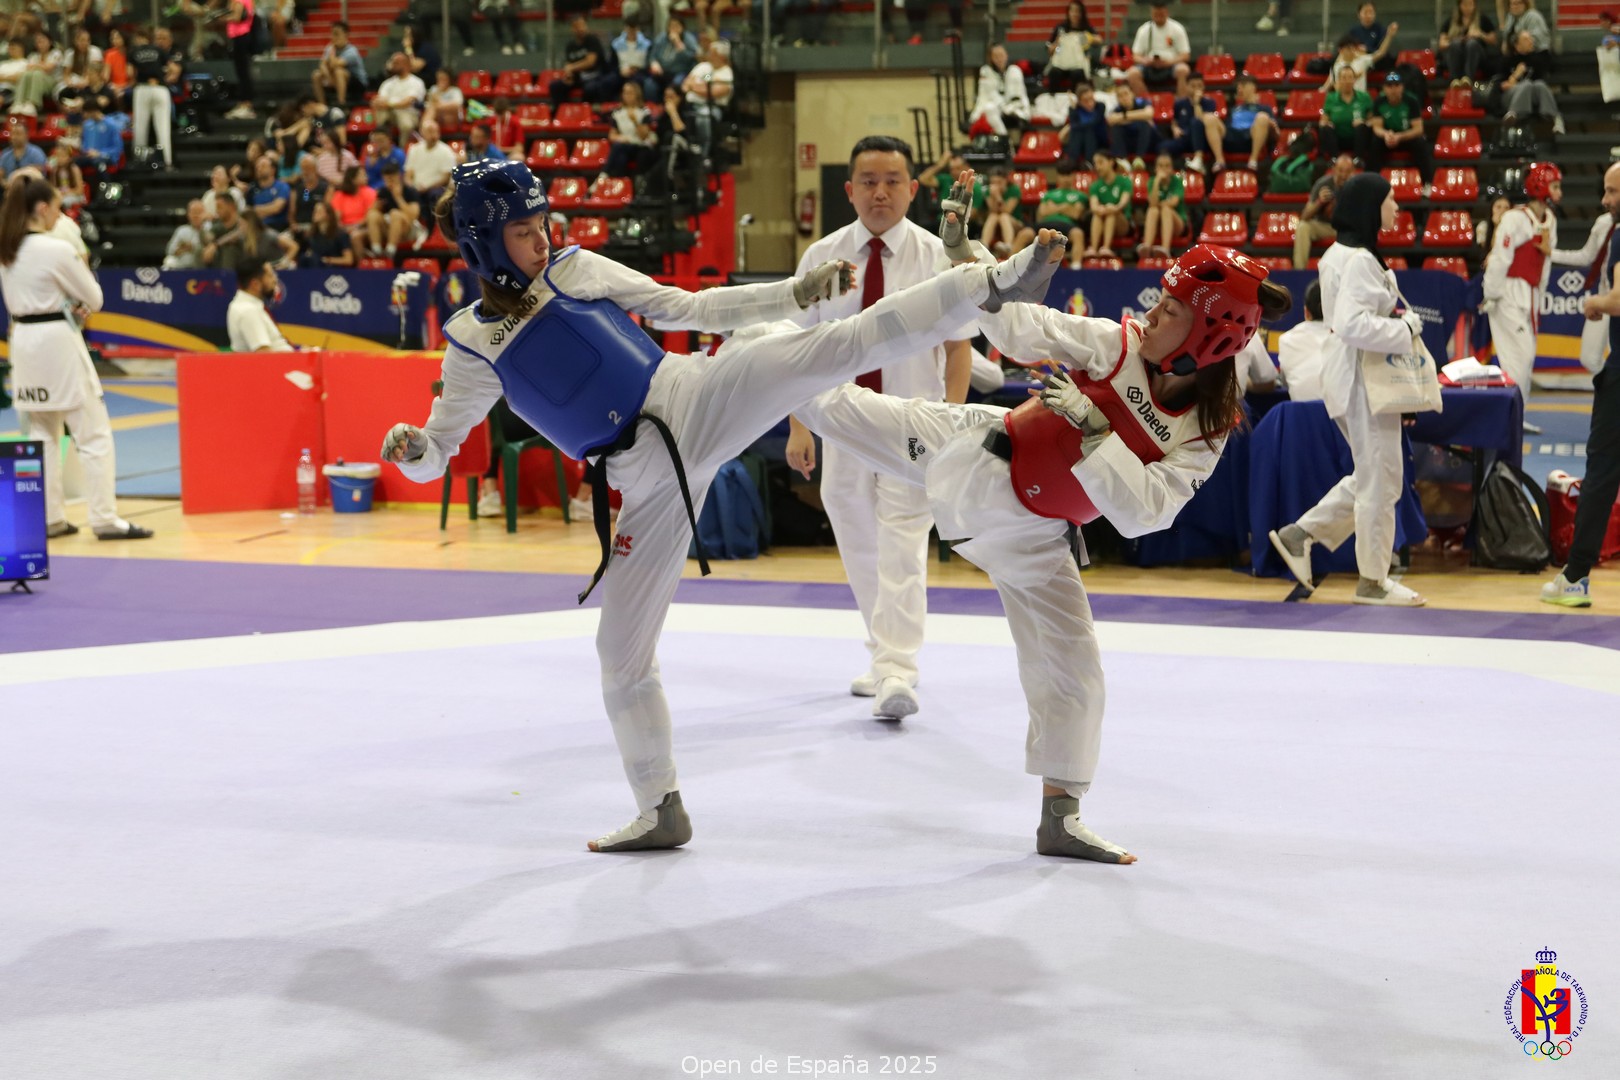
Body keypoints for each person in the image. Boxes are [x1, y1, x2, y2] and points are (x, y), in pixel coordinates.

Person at [379, 158, 1067, 853]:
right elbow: (439, 446)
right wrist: (412, 449)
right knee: (619, 656)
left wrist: (793, 292)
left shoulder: (575, 270)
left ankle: (995, 282)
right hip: (644, 484)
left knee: (829, 346)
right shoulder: (469, 344)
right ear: (484, 247)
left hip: (691, 398)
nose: (544, 240)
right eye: (525, 232)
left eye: (544, 224)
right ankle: (660, 809)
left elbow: (690, 307)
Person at [798, 199, 1291, 862]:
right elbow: (1023, 329)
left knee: (1077, 672)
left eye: (1170, 309)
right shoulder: (1115, 344)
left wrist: (1096, 432)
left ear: (1209, 337)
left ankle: (1060, 817)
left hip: (1034, 534)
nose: (1151, 311)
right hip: (974, 455)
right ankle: (708, 378)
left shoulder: (1203, 432)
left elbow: (1149, 514)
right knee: (828, 401)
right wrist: (967, 259)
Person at [783, 136, 974, 720]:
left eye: (893, 179)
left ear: (913, 189)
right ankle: (883, 652)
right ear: (849, 189)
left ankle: (898, 669)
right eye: (868, 180)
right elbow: (796, 348)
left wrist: (951, 425)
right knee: (859, 541)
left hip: (913, 425)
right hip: (839, 421)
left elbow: (959, 348)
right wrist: (798, 427)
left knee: (903, 543)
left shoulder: (935, 255)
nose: (880, 191)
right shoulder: (822, 254)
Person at [1267, 172, 1428, 606]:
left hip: (1357, 379)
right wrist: (1406, 326)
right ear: (1371, 207)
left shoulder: (1347, 254)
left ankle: (1301, 534)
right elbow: (1353, 325)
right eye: (1391, 201)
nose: (1396, 208)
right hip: (1362, 382)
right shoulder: (1355, 259)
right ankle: (1372, 581)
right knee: (1379, 482)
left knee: (1378, 478)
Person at [0, 174, 151, 541]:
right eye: (56, 207)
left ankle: (50, 517)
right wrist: (75, 303)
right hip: (56, 340)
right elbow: (94, 298)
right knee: (93, 432)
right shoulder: (55, 249)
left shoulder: (7, 250)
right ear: (42, 208)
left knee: (42, 431)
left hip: (24, 340)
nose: (59, 215)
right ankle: (105, 518)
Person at [1543, 162, 1620, 606]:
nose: (1605, 201)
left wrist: (1597, 301)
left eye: (1613, 193)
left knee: (1602, 472)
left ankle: (1575, 577)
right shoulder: (1607, 227)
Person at [1483, 160, 1558, 429]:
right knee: (1519, 356)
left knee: (1527, 357)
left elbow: (1546, 260)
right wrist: (1491, 293)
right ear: (1540, 186)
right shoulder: (1514, 219)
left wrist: (1542, 290)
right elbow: (1500, 259)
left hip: (1531, 295)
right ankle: (1510, 416)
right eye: (1555, 185)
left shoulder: (1550, 220)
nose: (1559, 191)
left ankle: (1517, 415)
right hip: (1506, 293)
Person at [1552, 190, 1615, 378]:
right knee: (1588, 357)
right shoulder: (1604, 223)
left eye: (1612, 191)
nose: (1606, 199)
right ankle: (1612, 388)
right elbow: (1587, 256)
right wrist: (1550, 253)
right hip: (1605, 298)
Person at [1368, 72, 1435, 195]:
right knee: (1375, 142)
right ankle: (1372, 184)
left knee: (1421, 143)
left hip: (1405, 136)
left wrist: (1400, 136)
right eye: (1389, 86)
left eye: (1396, 85)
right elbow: (1377, 127)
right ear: (1384, 88)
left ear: (1402, 87)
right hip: (1388, 136)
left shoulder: (1411, 101)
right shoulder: (1379, 101)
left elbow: (1418, 129)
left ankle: (1427, 183)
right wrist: (1386, 135)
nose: (1393, 89)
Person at [1294, 153, 1354, 269]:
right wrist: (1319, 202)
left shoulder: (1357, 186)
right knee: (1303, 226)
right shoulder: (1322, 184)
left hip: (1345, 229)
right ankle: (1299, 272)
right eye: (1341, 170)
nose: (1343, 175)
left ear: (1353, 172)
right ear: (1334, 169)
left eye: (1347, 171)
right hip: (1324, 226)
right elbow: (1304, 216)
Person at [1206, 75, 1276, 172]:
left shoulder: (1264, 108)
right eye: (1238, 87)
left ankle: (1253, 160)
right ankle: (1219, 160)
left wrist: (1272, 127)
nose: (1239, 89)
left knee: (1262, 117)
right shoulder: (1234, 109)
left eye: (1242, 86)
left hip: (1251, 139)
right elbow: (1227, 126)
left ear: (1253, 87)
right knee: (1209, 118)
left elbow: (1276, 133)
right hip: (1232, 138)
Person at [126, 26, 173, 169]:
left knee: (141, 128)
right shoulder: (158, 50)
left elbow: (129, 73)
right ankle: (167, 162)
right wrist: (164, 80)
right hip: (160, 88)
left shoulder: (134, 51)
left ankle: (140, 161)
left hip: (143, 88)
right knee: (163, 128)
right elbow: (172, 68)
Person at [1125, 0, 1191, 98]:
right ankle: (1147, 103)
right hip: (1149, 66)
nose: (1158, 16)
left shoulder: (1177, 28)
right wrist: (1145, 61)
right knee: (1132, 73)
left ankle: (1182, 104)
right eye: (1156, 13)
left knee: (1183, 70)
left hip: (1171, 65)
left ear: (1166, 12)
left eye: (1161, 13)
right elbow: (1135, 56)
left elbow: (1185, 55)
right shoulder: (1144, 30)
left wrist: (1169, 62)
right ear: (1151, 13)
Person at [1276, 280, 1330, 399]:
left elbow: (1286, 382)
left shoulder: (1286, 339)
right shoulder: (1349, 338)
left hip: (1301, 415)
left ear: (1306, 312)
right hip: (1342, 415)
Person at [226, 258, 293, 352]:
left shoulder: (250, 306)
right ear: (255, 284)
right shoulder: (248, 311)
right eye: (270, 275)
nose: (275, 279)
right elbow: (263, 355)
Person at [680, 39, 733, 156]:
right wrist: (700, 86)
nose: (709, 56)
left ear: (720, 56)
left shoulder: (726, 73)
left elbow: (712, 92)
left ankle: (703, 154)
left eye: (712, 53)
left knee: (703, 117)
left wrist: (695, 87)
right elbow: (686, 84)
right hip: (690, 106)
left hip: (713, 108)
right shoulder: (706, 69)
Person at [969, 43, 1031, 137]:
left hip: (1014, 109)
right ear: (991, 58)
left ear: (1006, 55)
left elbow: (1017, 96)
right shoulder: (985, 71)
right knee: (990, 108)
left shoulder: (1015, 70)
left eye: (1001, 55)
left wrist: (1008, 108)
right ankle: (1004, 139)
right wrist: (1003, 106)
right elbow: (989, 95)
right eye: (996, 56)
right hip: (996, 109)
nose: (999, 59)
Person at [551, 15, 614, 105]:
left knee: (590, 89)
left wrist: (572, 67)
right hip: (578, 78)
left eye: (583, 25)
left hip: (595, 76)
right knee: (555, 86)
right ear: (572, 29)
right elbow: (569, 64)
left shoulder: (592, 40)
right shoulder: (570, 46)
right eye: (577, 26)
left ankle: (583, 112)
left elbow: (590, 62)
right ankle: (562, 112)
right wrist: (569, 75)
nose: (581, 29)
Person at [1034, 159, 1087, 267]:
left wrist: (1054, 207)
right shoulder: (1049, 194)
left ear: (1074, 176)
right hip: (1046, 224)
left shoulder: (1080, 195)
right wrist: (1066, 206)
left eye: (1069, 175)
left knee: (1078, 234)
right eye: (1063, 175)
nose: (1066, 179)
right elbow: (1042, 213)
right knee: (1024, 234)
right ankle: (1010, 269)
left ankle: (1076, 267)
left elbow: (1075, 214)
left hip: (1067, 225)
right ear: (1058, 176)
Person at [1318, 64, 1375, 163]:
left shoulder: (1364, 97)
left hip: (1357, 139)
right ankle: (1334, 159)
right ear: (1339, 80)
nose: (1347, 81)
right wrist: (1327, 124)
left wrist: (1364, 122)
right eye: (1344, 78)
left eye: (1350, 77)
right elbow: (1322, 121)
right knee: (1325, 129)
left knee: (1362, 128)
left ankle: (1358, 159)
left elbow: (1373, 120)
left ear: (1354, 80)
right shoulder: (1331, 98)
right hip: (1338, 138)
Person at [366, 161, 422, 257]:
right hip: (388, 228)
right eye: (386, 179)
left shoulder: (410, 190)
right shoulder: (383, 191)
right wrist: (375, 207)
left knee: (395, 213)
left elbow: (413, 215)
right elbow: (370, 214)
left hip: (408, 228)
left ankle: (390, 251)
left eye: (392, 179)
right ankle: (376, 250)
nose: (389, 182)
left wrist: (398, 198)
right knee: (372, 215)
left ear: (398, 176)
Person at [1138, 152, 1188, 257]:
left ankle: (1165, 249)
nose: (1164, 169)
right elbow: (1152, 203)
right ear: (1155, 168)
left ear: (1172, 168)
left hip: (1177, 224)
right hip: (1158, 224)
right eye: (1160, 166)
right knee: (1153, 210)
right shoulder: (1152, 181)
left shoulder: (1177, 181)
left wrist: (1160, 204)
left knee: (1166, 209)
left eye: (1167, 166)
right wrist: (1157, 181)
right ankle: (1147, 246)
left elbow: (1173, 202)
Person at [1161, 72, 1214, 168]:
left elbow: (1200, 120)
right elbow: (1174, 121)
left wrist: (1196, 103)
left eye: (1199, 86)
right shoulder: (1179, 104)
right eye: (1193, 86)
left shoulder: (1209, 103)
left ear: (1204, 87)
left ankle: (1198, 160)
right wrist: (1175, 128)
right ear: (1187, 86)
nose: (1196, 89)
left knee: (1195, 122)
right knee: (1162, 147)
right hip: (1184, 138)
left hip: (1201, 139)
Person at [606, 82, 657, 177]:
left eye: (630, 93)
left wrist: (635, 121)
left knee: (620, 148)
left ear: (637, 94)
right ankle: (622, 185)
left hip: (640, 145)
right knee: (620, 156)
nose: (627, 96)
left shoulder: (644, 112)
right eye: (625, 92)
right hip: (625, 145)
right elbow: (611, 135)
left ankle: (604, 173)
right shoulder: (617, 113)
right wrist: (621, 138)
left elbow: (643, 136)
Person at [1085, 149, 1130, 256]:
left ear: (1111, 162)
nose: (1097, 167)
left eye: (1101, 162)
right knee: (1097, 213)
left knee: (1111, 211)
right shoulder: (1095, 185)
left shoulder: (1124, 181)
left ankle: (1106, 247)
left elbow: (1123, 202)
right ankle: (1093, 248)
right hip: (1102, 220)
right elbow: (1093, 205)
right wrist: (1101, 209)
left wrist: (1112, 208)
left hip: (1122, 223)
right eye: (1095, 163)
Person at [1440, 0, 1497, 83]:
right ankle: (1455, 80)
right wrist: (1456, 40)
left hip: (1477, 56)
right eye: (1465, 5)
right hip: (1457, 54)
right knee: (1455, 44)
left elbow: (1494, 40)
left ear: (1474, 5)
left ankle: (1468, 79)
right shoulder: (1451, 21)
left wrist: (1480, 34)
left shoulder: (1482, 19)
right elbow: (1441, 43)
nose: (1468, 8)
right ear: (1459, 6)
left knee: (1472, 44)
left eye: (1470, 4)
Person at [312, 21, 367, 108]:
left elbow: (335, 64)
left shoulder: (352, 51)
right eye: (332, 34)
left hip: (357, 84)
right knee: (316, 75)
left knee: (339, 71)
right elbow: (322, 65)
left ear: (346, 35)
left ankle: (341, 104)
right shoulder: (329, 48)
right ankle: (323, 106)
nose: (334, 37)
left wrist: (332, 52)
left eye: (337, 34)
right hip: (335, 80)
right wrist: (328, 77)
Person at [404, 117, 456, 206]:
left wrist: (427, 187)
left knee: (436, 195)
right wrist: (411, 186)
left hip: (435, 188)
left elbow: (445, 178)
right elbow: (408, 174)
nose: (433, 135)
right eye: (430, 131)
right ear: (422, 133)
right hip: (416, 187)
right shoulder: (414, 149)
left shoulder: (446, 151)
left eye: (436, 131)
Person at [373, 52, 426, 139]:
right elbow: (380, 100)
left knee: (406, 125)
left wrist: (388, 104)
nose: (392, 65)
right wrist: (378, 102)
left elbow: (408, 102)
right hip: (390, 112)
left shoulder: (416, 82)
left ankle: (403, 149)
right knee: (381, 112)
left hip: (408, 113)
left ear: (405, 64)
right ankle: (383, 145)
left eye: (396, 63)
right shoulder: (387, 83)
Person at [1046, 2, 1098, 91]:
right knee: (1054, 72)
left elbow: (1099, 40)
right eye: (1072, 11)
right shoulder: (1060, 28)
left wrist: (1088, 37)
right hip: (1061, 62)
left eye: (1078, 11)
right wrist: (1057, 43)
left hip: (1078, 64)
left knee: (1078, 74)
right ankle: (1054, 100)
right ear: (1068, 12)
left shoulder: (1086, 28)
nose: (1075, 14)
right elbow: (1050, 50)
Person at [1106, 80, 1156, 168]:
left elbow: (1148, 114)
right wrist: (1138, 116)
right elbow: (1111, 120)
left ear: (1132, 93)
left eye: (1126, 93)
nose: (1124, 97)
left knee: (1144, 123)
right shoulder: (1117, 109)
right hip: (1129, 142)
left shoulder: (1143, 102)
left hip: (1147, 142)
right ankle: (1123, 160)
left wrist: (1123, 116)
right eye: (1120, 96)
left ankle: (1139, 159)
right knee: (1115, 127)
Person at [1325, 31, 1394, 94]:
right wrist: (1354, 77)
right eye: (1348, 48)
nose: (1352, 51)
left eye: (1353, 48)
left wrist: (1389, 36)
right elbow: (1338, 89)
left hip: (1361, 99)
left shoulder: (1362, 60)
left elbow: (1380, 53)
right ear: (1341, 50)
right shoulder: (1337, 66)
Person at [223, 0, 259, 120]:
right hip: (243, 36)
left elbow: (237, 17)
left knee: (243, 72)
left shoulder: (239, 1)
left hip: (240, 36)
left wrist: (220, 19)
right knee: (242, 72)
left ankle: (246, 104)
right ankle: (244, 102)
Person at [648, 16, 699, 93]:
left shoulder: (689, 39)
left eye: (676, 26)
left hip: (680, 72)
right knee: (649, 84)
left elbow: (692, 59)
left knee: (677, 83)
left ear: (682, 27)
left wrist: (678, 44)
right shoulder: (662, 37)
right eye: (671, 26)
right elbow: (653, 55)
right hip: (662, 71)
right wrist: (654, 63)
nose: (673, 29)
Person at [1062, 82, 1108, 168]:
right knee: (1077, 132)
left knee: (1088, 130)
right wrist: (1074, 110)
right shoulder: (1074, 109)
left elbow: (1094, 124)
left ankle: (1088, 162)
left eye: (1091, 99)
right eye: (1085, 101)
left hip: (1098, 141)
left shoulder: (1100, 107)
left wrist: (1079, 125)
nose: (1090, 103)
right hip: (1080, 142)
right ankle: (1073, 161)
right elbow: (1074, 126)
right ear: (1079, 101)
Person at [301, 199, 356, 268]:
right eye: (314, 211)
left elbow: (349, 260)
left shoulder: (340, 234)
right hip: (316, 266)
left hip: (334, 269)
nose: (315, 213)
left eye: (319, 211)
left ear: (328, 215)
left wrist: (328, 260)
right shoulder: (312, 234)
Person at [612, 18, 656, 101]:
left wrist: (637, 69)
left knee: (646, 83)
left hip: (640, 73)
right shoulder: (616, 44)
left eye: (634, 30)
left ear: (638, 29)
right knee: (608, 82)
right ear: (625, 29)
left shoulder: (647, 45)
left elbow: (649, 63)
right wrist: (620, 71)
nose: (632, 32)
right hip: (621, 72)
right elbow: (612, 64)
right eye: (629, 30)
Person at [248, 153, 291, 232]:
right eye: (257, 167)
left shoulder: (282, 186)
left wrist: (257, 210)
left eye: (263, 166)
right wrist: (267, 209)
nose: (259, 169)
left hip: (279, 227)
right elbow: (249, 212)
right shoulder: (252, 189)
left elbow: (277, 208)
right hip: (258, 228)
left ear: (272, 170)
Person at [163, 198, 209, 268]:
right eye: (193, 212)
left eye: (199, 212)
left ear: (205, 213)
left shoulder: (209, 228)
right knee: (169, 261)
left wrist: (192, 248)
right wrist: (181, 249)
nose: (196, 215)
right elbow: (170, 250)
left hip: (202, 266)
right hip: (181, 267)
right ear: (188, 214)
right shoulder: (182, 230)